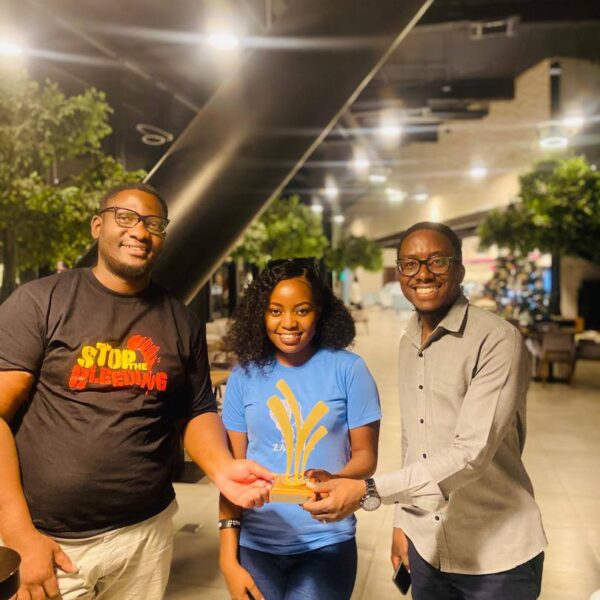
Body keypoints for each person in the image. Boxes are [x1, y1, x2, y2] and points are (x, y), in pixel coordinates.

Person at [0, 182, 273, 600]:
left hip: (147, 534)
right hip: (53, 543)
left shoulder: (181, 321)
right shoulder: (40, 302)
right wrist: (19, 533)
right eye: (125, 217)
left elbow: (196, 411)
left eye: (154, 224)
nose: (140, 232)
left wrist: (222, 469)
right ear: (97, 225)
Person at [304, 222, 547, 600]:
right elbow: (413, 444)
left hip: (497, 557)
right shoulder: (408, 342)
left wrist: (368, 490)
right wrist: (403, 522)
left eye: (437, 261)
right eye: (410, 264)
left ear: (459, 269)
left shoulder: (497, 339)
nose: (423, 273)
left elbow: (471, 454)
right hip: (427, 549)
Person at [219, 258, 381, 600]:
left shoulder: (349, 370)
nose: (289, 323)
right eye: (275, 311)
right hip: (256, 545)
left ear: (319, 312)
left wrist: (334, 479)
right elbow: (232, 474)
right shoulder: (242, 377)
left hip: (326, 542)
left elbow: (366, 457)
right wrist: (228, 558)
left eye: (302, 310)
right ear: (261, 314)